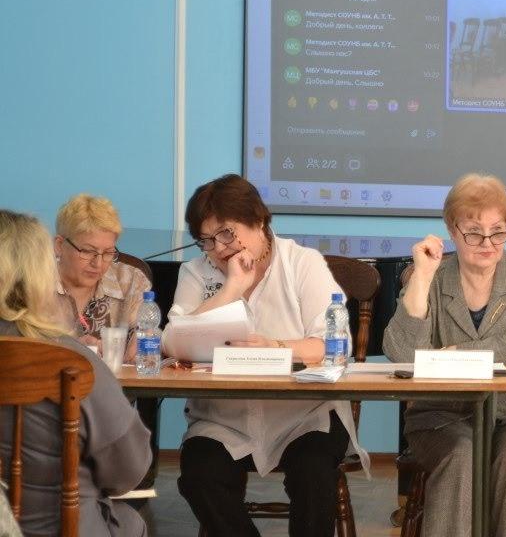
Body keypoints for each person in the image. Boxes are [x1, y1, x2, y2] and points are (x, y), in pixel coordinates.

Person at [166, 173, 369, 537]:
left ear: (258, 221)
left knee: (314, 474)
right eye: (207, 240)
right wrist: (231, 289)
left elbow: (332, 346)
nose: (219, 249)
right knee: (199, 476)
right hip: (223, 419)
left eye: (227, 233)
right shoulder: (196, 273)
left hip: (303, 416)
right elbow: (172, 341)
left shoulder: (302, 263)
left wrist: (276, 347)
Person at [383, 173, 506, 537]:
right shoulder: (432, 278)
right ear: (452, 230)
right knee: (461, 457)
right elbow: (401, 353)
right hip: (443, 415)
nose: (487, 243)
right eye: (474, 233)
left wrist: (453, 354)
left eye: (498, 232)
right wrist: (422, 276)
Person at [0, 209, 151, 537]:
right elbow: (129, 468)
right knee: (130, 522)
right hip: (57, 527)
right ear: (41, 273)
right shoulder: (71, 359)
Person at [53, 194, 151, 360]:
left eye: (108, 253)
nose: (98, 264)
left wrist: (147, 338)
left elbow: (148, 330)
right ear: (59, 245)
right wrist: (68, 350)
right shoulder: (33, 284)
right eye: (87, 251)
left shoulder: (131, 281)